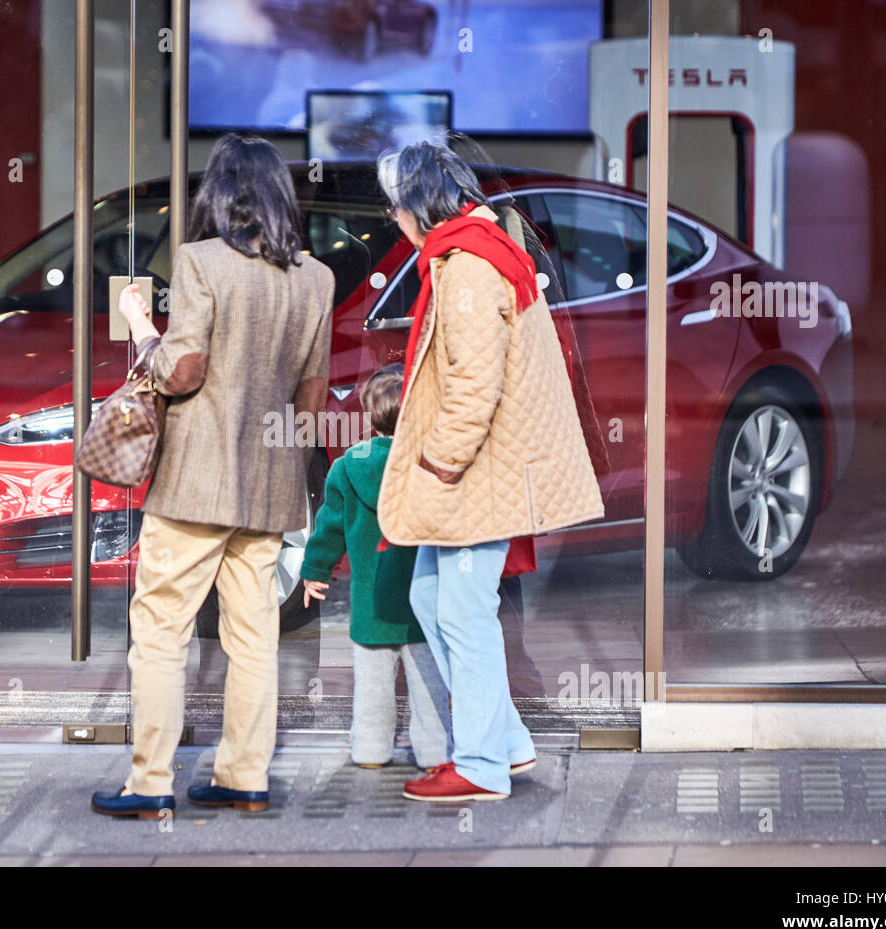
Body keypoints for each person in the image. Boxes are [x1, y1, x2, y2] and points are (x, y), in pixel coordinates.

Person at [92, 133, 335, 819]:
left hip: (198, 478)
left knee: (161, 628)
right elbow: (313, 392)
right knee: (254, 632)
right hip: (270, 481)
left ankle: (149, 785)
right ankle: (244, 776)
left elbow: (185, 368)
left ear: (219, 197)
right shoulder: (316, 278)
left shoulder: (199, 261)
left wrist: (143, 332)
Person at [375, 142, 606, 802]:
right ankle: (506, 742)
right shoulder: (471, 251)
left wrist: (439, 463)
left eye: (397, 205)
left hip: (477, 473)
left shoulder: (469, 265)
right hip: (476, 471)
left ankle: (479, 765)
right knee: (431, 599)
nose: (393, 218)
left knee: (464, 614)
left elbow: (475, 384)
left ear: (423, 201)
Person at [298, 363, 451, 772]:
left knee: (372, 689)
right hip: (422, 605)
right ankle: (436, 754)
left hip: (370, 605)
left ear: (369, 414)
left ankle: (369, 751)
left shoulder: (348, 467)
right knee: (429, 688)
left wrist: (315, 571)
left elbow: (328, 528)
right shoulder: (427, 466)